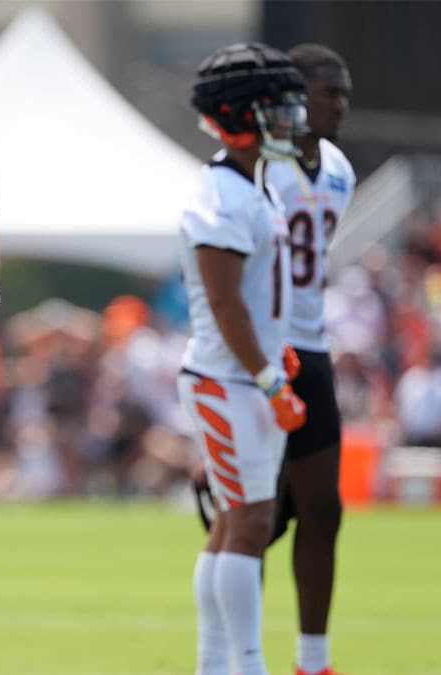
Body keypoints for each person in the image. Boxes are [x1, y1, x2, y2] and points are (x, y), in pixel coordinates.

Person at [176, 42, 308, 675]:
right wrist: (268, 378)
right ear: (241, 114)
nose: (290, 121)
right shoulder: (222, 194)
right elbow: (226, 306)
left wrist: (273, 360)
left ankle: (217, 662)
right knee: (251, 522)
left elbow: (253, 301)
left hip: (244, 376)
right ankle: (245, 664)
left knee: (236, 522)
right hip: (227, 379)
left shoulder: (255, 187)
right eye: (277, 109)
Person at [262, 43, 355, 675]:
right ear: (296, 96)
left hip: (313, 350)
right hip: (262, 348)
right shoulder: (261, 166)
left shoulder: (341, 170)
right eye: (331, 93)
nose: (341, 105)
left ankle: (312, 660)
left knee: (324, 508)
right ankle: (231, 651)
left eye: (345, 93)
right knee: (253, 519)